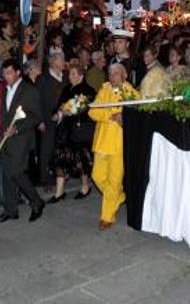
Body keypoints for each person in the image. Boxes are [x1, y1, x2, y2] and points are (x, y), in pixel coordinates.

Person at [0, 59, 45, 224]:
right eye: (4, 73)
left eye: (9, 73)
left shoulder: (29, 90)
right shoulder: (5, 90)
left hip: (21, 138)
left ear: (18, 72)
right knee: (7, 175)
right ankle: (10, 210)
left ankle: (36, 201)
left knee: (16, 172)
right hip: (6, 138)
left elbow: (35, 116)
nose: (6, 77)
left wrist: (17, 129)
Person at [88, 63, 140, 230]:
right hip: (102, 142)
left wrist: (125, 120)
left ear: (124, 75)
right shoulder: (104, 90)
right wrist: (111, 115)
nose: (113, 76)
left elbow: (139, 115)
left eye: (117, 73)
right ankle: (119, 197)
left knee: (114, 181)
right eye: (111, 74)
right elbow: (92, 111)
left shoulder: (132, 93)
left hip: (119, 144)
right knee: (97, 176)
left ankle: (107, 216)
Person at [48, 63, 97, 202]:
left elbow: (80, 108)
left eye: (73, 74)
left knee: (81, 160)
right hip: (65, 131)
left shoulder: (89, 90)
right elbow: (59, 105)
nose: (70, 76)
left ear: (81, 75)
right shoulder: (67, 89)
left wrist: (65, 112)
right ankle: (59, 192)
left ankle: (85, 186)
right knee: (60, 159)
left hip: (80, 131)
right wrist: (57, 113)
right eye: (69, 74)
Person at [36, 53, 68, 186]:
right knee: (46, 150)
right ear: (53, 62)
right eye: (62, 60)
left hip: (63, 118)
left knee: (59, 149)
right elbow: (36, 100)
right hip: (46, 118)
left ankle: (58, 175)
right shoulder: (42, 78)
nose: (64, 62)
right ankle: (44, 178)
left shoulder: (65, 77)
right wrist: (39, 120)